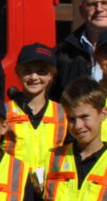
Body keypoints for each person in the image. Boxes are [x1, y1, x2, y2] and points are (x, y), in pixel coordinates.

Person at [5, 42, 65, 187]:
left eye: (42, 71)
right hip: (14, 189)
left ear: (52, 75)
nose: (34, 77)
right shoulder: (4, 112)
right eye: (27, 71)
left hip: (53, 190)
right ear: (18, 73)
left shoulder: (63, 113)